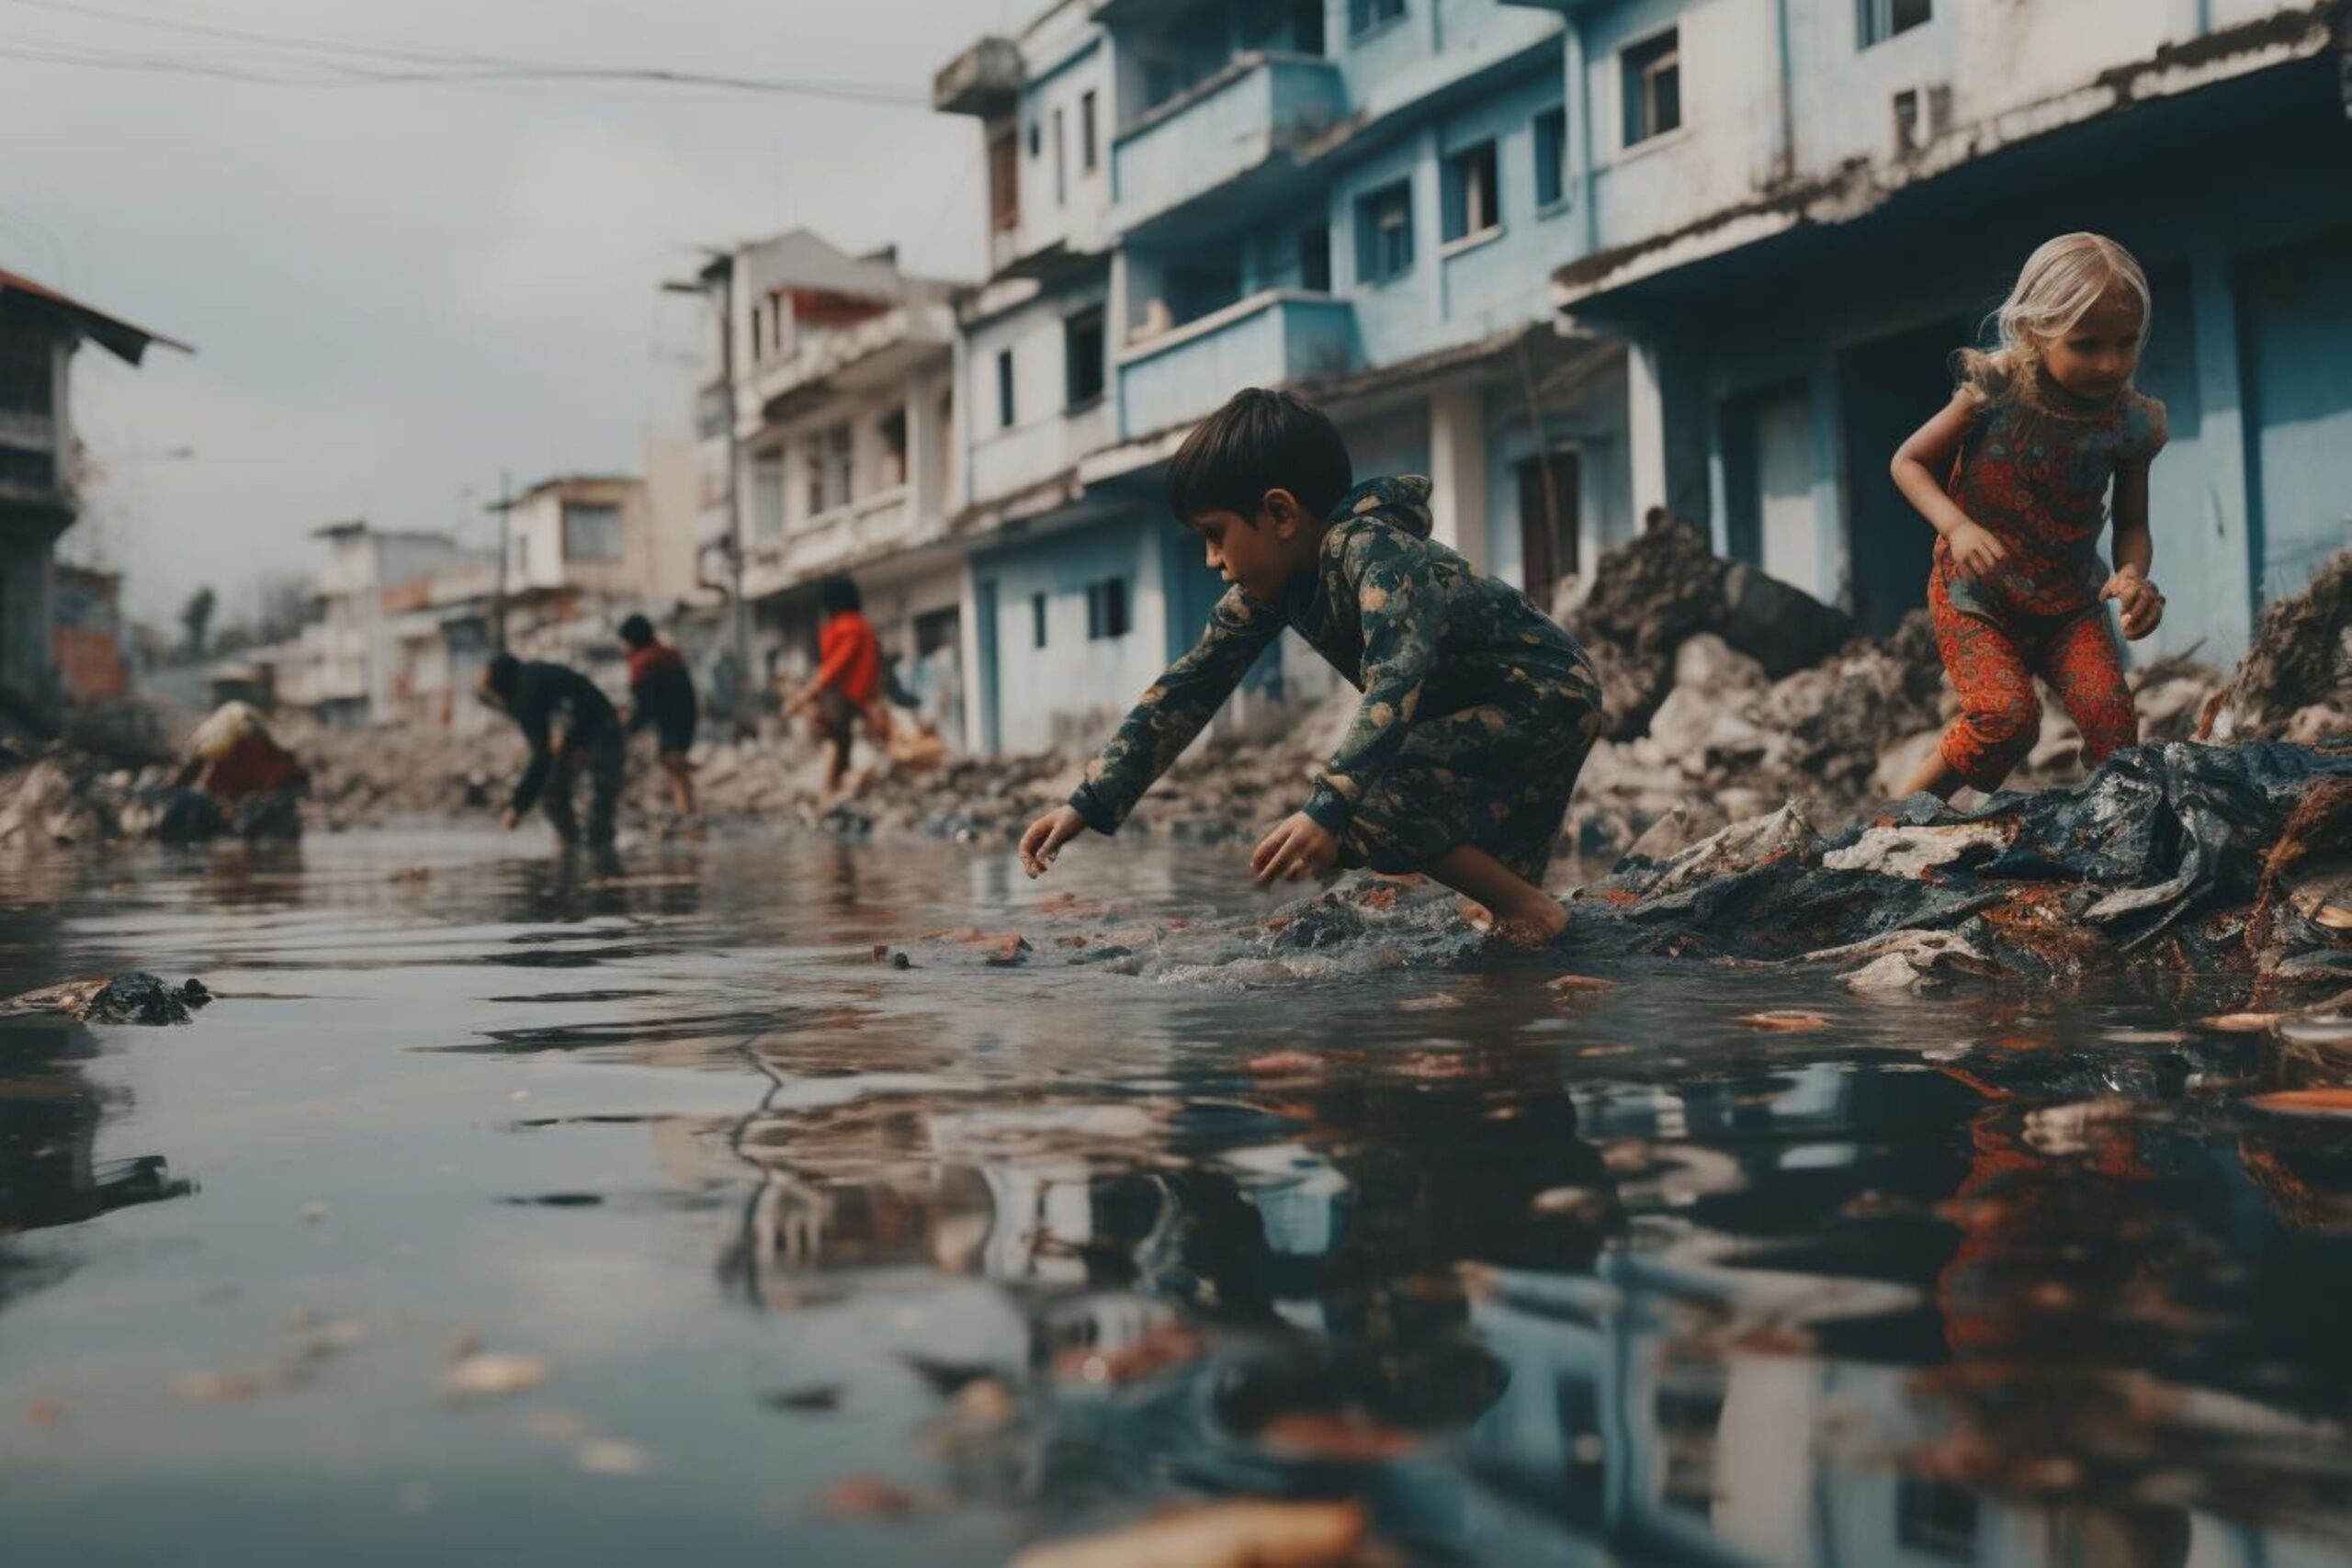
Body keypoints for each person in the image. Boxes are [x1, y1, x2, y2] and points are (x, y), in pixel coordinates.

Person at [1017, 388, 1605, 945]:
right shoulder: (1276, 590)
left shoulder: (1372, 548)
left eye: (1215, 535)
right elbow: (1188, 687)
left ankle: (1524, 907)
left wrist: (1329, 805)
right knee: (1487, 900)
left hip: (1541, 697)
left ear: (1279, 514)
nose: (1211, 560)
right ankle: (1523, 922)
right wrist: (1086, 803)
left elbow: (1396, 672)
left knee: (1363, 801)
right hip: (1485, 709)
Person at [1891, 232, 2168, 800]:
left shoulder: (2131, 424)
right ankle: (1887, 821)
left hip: (2070, 601)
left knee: (2115, 725)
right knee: (2006, 720)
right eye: (2086, 345)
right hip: (1978, 596)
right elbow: (1908, 461)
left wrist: (2134, 575)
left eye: (2125, 343)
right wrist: (1959, 527)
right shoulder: (1995, 390)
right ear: (2033, 332)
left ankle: (2118, 828)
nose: (2110, 363)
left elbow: (2133, 524)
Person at [479, 651, 625, 846]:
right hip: (589, 727)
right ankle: (577, 843)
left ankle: (587, 846)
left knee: (595, 793)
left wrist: (518, 806)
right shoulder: (529, 679)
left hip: (600, 729)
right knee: (558, 790)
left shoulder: (526, 694)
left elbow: (542, 756)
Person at [783, 575, 886, 795]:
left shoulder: (847, 627)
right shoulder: (863, 626)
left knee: (837, 743)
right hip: (859, 695)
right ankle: (839, 786)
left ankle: (830, 788)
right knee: (845, 743)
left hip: (845, 695)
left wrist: (810, 691)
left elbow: (836, 664)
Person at [617, 613, 697, 818]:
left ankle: (687, 816)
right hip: (685, 719)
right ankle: (686, 814)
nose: (622, 648)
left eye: (624, 642)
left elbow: (646, 707)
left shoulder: (644, 664)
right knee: (677, 771)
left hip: (670, 724)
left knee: (676, 771)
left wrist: (627, 730)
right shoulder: (669, 655)